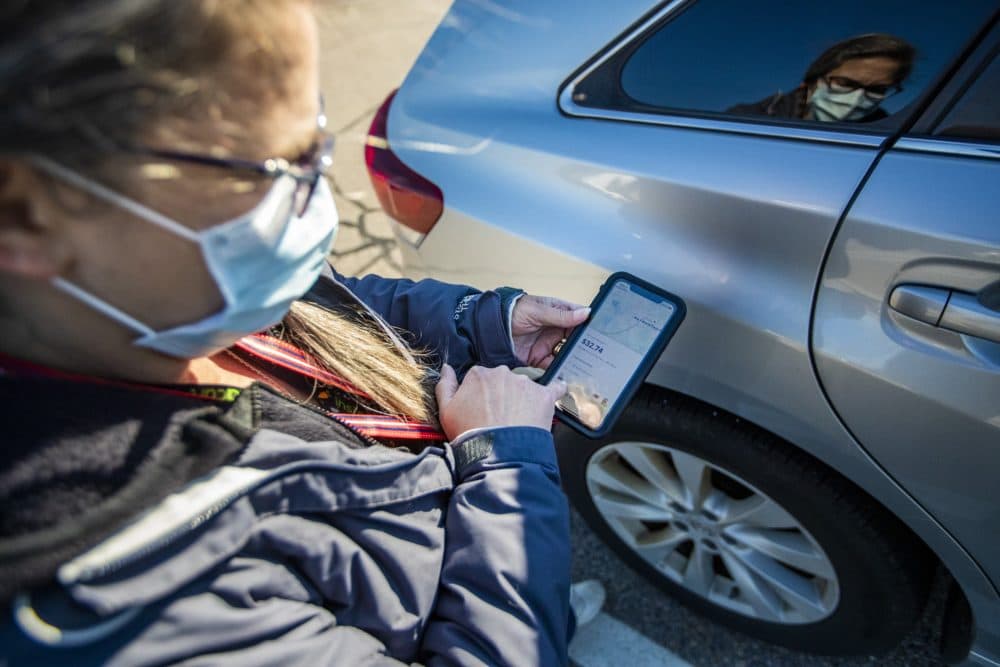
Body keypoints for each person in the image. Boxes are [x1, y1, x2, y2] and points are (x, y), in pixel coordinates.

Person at [0, 1, 603, 664]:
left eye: (319, 135)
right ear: (25, 212)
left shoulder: (173, 294)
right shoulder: (131, 608)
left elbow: (323, 307)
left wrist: (482, 325)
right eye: (278, 168)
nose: (318, 198)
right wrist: (509, 479)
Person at [729, 33, 915, 123]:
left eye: (877, 90)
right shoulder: (747, 119)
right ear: (811, 82)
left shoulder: (883, 133)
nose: (857, 99)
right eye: (845, 83)